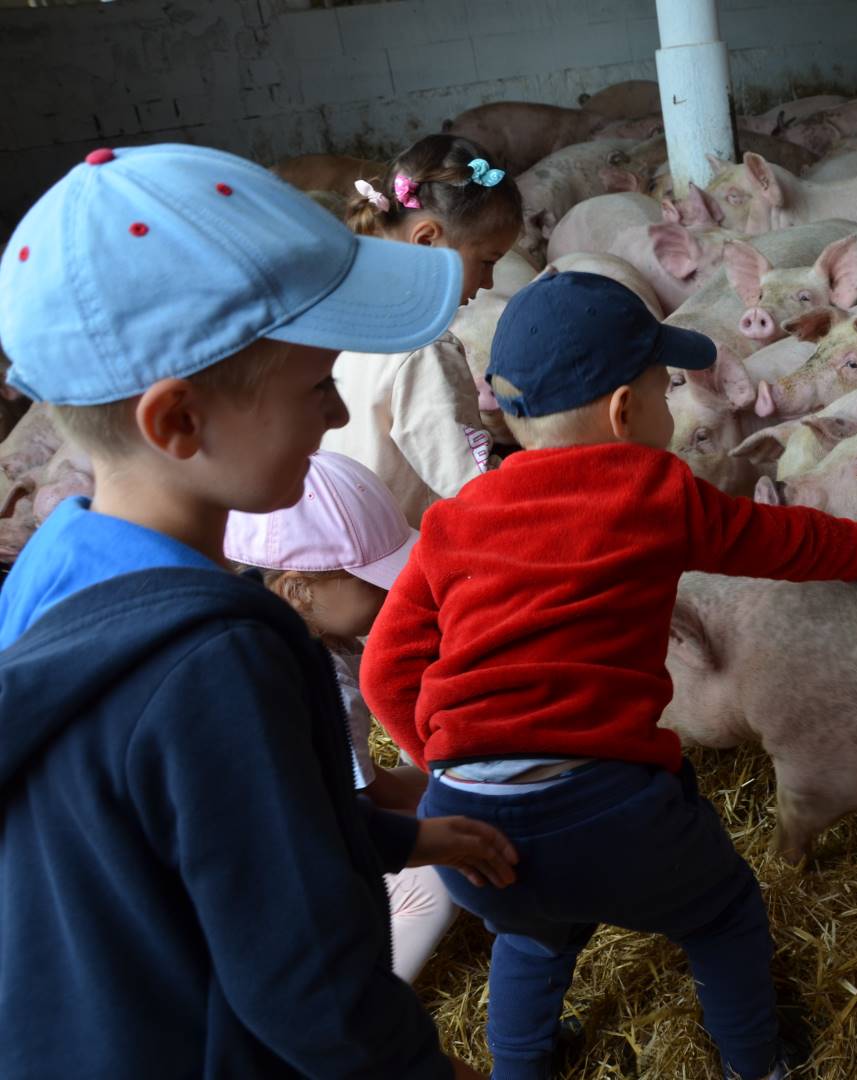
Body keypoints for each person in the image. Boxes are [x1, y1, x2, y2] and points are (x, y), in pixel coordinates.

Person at [0, 143, 516, 1079]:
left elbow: (200, 832)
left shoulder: (48, 570)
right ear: (178, 422)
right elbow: (315, 993)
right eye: (318, 387)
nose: (337, 418)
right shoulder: (220, 661)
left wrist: (394, 838)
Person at [361, 270, 857, 1080]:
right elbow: (774, 541)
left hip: (468, 822)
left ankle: (521, 1069)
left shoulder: (451, 523)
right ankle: (757, 1064)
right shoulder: (654, 490)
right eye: (665, 386)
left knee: (530, 935)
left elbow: (384, 671)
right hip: (608, 808)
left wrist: (448, 769)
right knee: (722, 913)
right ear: (624, 412)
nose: (670, 401)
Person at [226, 449, 458, 984]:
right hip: (268, 866)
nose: (395, 588)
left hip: (253, 836)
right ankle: (365, 1001)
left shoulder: (260, 630)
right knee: (433, 888)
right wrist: (460, 811)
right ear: (296, 589)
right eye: (372, 580)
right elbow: (365, 802)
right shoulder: (324, 680)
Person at [322, 133, 523, 526]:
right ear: (428, 240)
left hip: (340, 531)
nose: (488, 282)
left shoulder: (345, 317)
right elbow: (469, 485)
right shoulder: (425, 349)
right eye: (486, 261)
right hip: (403, 547)